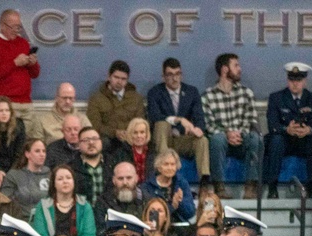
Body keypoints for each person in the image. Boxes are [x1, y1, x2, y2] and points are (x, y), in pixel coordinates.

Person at [202, 53, 262, 199]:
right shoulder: (207, 96)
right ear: (224, 69)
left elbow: (251, 120)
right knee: (216, 139)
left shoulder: (246, 93)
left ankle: (250, 187)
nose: (239, 69)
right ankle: (219, 187)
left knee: (255, 138)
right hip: (221, 143)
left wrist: (238, 133)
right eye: (236, 65)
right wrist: (226, 133)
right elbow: (208, 124)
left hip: (242, 140)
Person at [146, 58, 210, 188]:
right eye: (170, 74)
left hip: (182, 139)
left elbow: (199, 118)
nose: (175, 78)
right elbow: (155, 116)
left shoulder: (192, 92)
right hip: (163, 140)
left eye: (178, 74)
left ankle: (204, 183)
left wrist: (196, 129)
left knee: (202, 140)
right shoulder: (155, 92)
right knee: (161, 124)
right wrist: (179, 120)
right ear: (163, 77)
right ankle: (164, 174)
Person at [0, 9, 42, 141]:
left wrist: (32, 63)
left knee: (35, 140)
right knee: (9, 141)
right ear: (2, 25)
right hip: (4, 104)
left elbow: (35, 74)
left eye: (19, 27)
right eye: (13, 27)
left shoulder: (23, 43)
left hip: (26, 103)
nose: (17, 30)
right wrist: (14, 63)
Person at [264, 62, 312, 199]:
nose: (295, 84)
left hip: (303, 140)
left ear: (305, 81)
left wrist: (308, 130)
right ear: (288, 80)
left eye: (299, 80)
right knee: (275, 141)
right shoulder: (276, 97)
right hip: (284, 139)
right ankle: (272, 187)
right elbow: (273, 124)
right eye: (292, 80)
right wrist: (286, 129)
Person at [31, 165, 98, 236]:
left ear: (74, 182)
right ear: (54, 183)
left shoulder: (85, 206)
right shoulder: (43, 206)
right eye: (60, 179)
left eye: (68, 178)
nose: (65, 181)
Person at [86, 60, 146, 148]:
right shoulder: (96, 98)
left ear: (127, 80)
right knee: (103, 142)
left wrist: (129, 133)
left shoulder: (136, 98)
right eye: (116, 77)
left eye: (123, 79)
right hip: (107, 139)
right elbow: (95, 125)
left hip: (130, 138)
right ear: (109, 77)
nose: (119, 82)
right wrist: (115, 133)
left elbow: (141, 122)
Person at [143, 149, 196, 236]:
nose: (170, 168)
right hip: (157, 229)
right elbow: (151, 214)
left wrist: (180, 202)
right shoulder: (147, 186)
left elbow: (191, 212)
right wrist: (172, 206)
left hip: (180, 228)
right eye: (166, 164)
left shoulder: (182, 183)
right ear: (159, 167)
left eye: (172, 164)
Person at [92, 162, 144, 236]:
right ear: (114, 180)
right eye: (120, 178)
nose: (125, 182)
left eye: (129, 178)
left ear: (136, 178)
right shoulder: (103, 202)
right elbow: (100, 232)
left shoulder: (146, 200)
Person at [1, 138, 51, 220]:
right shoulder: (14, 175)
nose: (42, 154)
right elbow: (5, 201)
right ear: (27, 154)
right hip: (21, 221)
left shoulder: (50, 174)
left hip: (45, 221)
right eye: (37, 151)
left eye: (44, 151)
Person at [109, 117, 155, 186]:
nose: (139, 136)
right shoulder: (120, 153)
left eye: (142, 132)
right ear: (130, 134)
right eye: (135, 133)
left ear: (147, 134)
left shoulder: (153, 153)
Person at [73, 127, 108, 207]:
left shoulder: (113, 164)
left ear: (101, 142)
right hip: (82, 214)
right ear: (78, 145)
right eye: (86, 140)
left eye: (95, 139)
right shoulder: (71, 168)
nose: (91, 143)